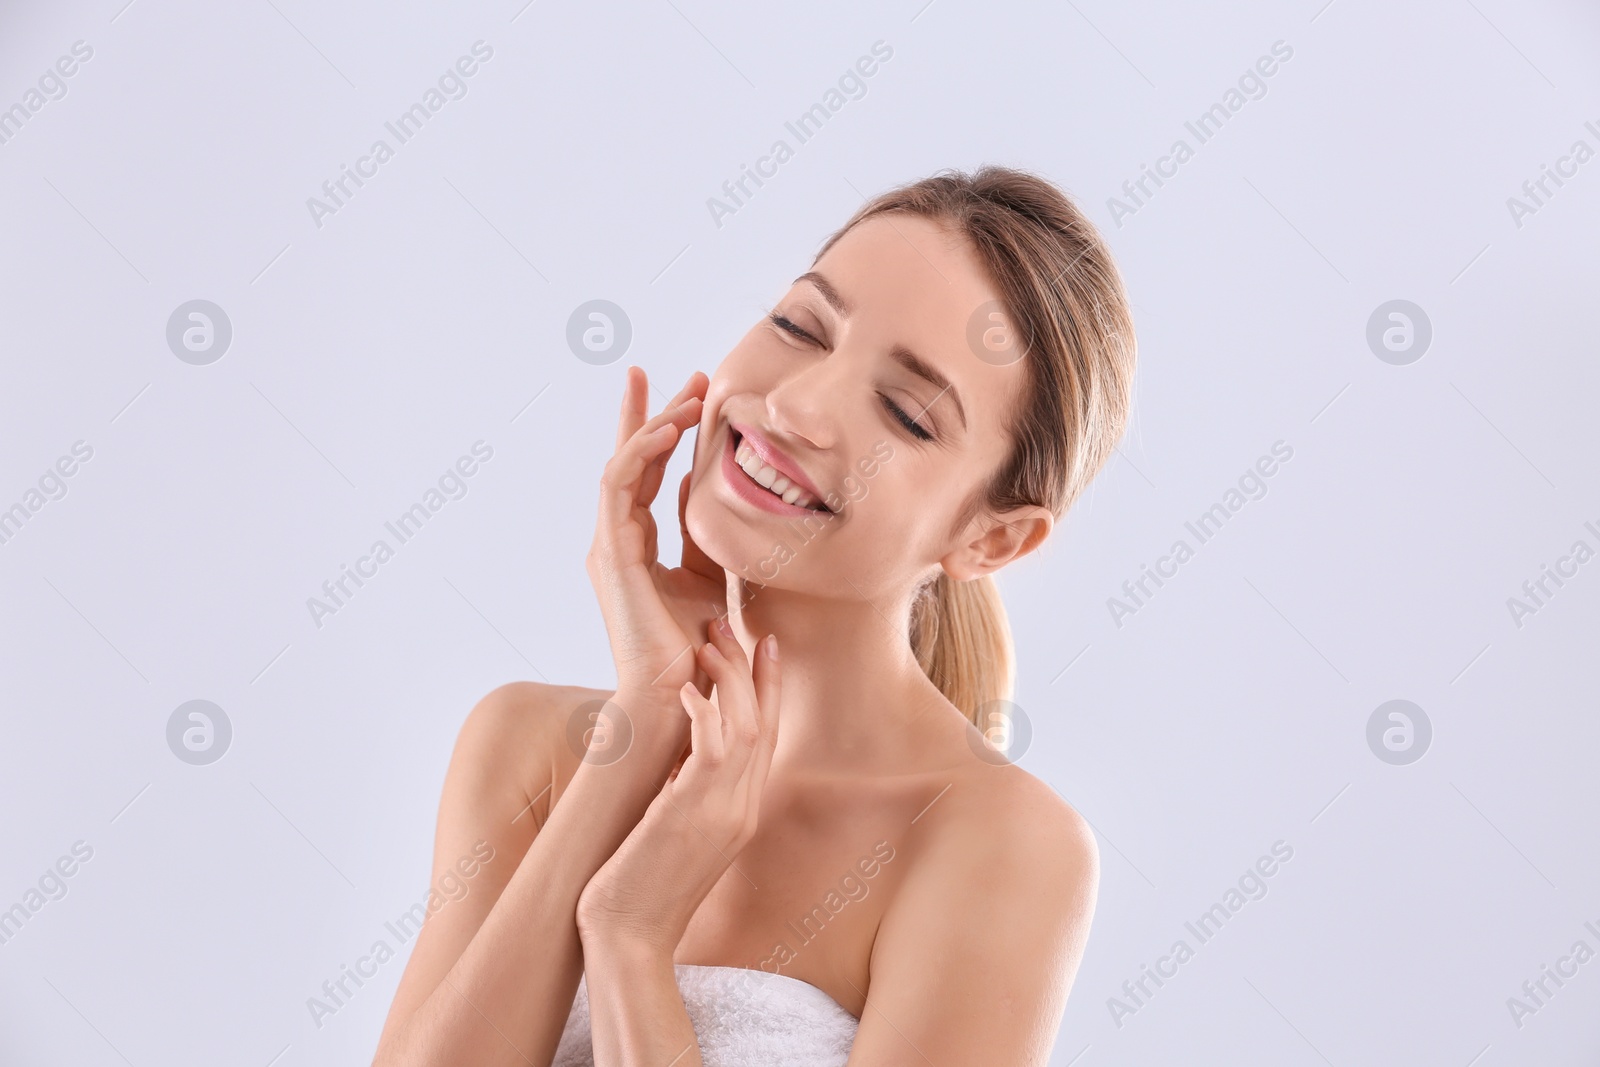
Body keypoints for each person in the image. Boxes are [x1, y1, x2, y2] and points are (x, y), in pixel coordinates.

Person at [371, 164, 1137, 1066]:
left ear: (993, 540)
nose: (795, 405)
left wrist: (629, 939)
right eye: (800, 326)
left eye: (905, 412)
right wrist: (647, 721)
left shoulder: (1001, 847)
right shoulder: (527, 747)